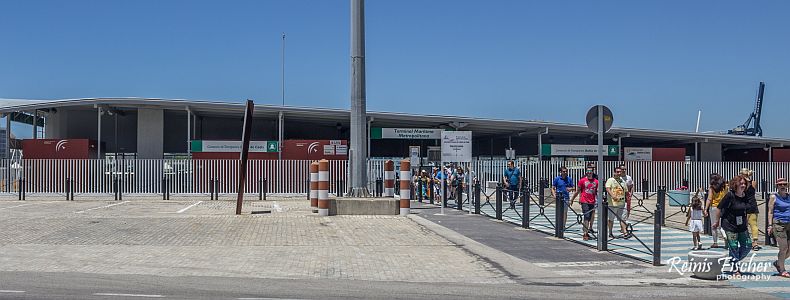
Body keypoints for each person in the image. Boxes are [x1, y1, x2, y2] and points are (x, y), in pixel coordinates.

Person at [718, 175, 753, 276]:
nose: (743, 185)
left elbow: (747, 209)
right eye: (741, 183)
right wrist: (716, 222)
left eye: (744, 184)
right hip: (729, 225)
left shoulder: (746, 196)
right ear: (735, 184)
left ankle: (733, 260)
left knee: (747, 245)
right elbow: (719, 207)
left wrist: (747, 221)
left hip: (742, 225)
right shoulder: (730, 195)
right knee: (733, 246)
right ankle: (735, 268)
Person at [768, 177, 790, 278]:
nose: (782, 186)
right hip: (779, 224)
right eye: (780, 184)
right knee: (783, 248)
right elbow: (770, 212)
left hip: (789, 224)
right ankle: (782, 269)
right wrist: (770, 225)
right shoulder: (774, 197)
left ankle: (778, 263)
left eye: (784, 184)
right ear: (777, 186)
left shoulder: (789, 196)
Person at [571, 170, 598, 241]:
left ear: (592, 173)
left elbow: (597, 192)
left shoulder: (596, 181)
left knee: (590, 217)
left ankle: (586, 230)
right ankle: (585, 233)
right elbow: (578, 190)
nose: (589, 173)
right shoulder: (582, 180)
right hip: (584, 201)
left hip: (592, 201)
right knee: (586, 216)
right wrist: (572, 199)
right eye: (587, 172)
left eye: (590, 172)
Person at [606, 166, 630, 239]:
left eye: (620, 172)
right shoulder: (610, 180)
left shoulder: (622, 181)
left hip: (622, 203)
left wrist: (628, 197)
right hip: (613, 203)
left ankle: (625, 232)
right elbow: (607, 188)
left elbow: (626, 190)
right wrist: (612, 195)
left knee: (622, 218)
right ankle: (610, 232)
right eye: (617, 172)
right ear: (614, 172)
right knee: (611, 219)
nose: (619, 173)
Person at [740, 168, 761, 251]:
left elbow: (742, 191)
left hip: (744, 205)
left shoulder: (742, 184)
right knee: (753, 224)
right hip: (753, 204)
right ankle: (755, 242)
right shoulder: (754, 182)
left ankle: (747, 241)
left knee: (744, 224)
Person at [706, 173, 728, 248]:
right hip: (723, 207)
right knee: (722, 225)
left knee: (714, 225)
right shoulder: (725, 186)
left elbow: (709, 198)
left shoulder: (712, 187)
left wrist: (706, 208)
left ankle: (715, 242)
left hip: (714, 207)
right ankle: (725, 236)